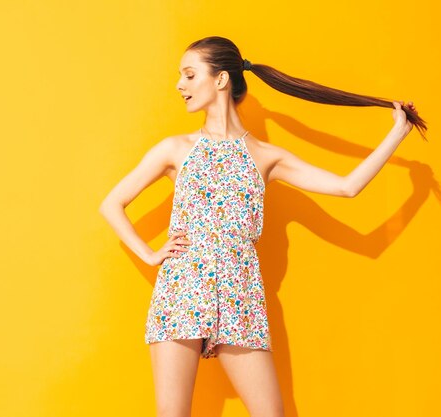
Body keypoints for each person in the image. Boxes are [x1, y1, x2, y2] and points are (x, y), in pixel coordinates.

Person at [98, 36, 425, 417]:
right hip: (182, 290)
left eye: (189, 75)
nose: (179, 85)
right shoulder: (176, 149)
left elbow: (346, 186)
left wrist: (397, 133)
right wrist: (151, 254)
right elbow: (112, 204)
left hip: (241, 294)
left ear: (220, 80)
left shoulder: (266, 157)